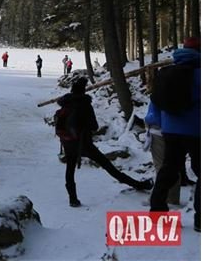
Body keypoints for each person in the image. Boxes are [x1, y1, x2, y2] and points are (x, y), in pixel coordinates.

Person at [57, 77, 153, 208]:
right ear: (84, 90)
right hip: (85, 144)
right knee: (108, 166)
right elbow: (94, 126)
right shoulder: (85, 104)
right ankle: (138, 185)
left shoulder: (65, 104)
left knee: (70, 170)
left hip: (68, 143)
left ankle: (72, 199)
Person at [149, 38, 200, 231]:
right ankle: (200, 219)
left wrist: (162, 125)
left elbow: (155, 102)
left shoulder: (165, 73)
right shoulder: (199, 75)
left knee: (169, 169)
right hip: (196, 131)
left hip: (170, 129)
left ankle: (157, 213)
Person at [144, 101, 180, 205]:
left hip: (159, 130)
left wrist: (148, 120)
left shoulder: (161, 88)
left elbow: (155, 113)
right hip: (177, 130)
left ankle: (167, 199)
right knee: (173, 164)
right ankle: (172, 198)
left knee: (162, 166)